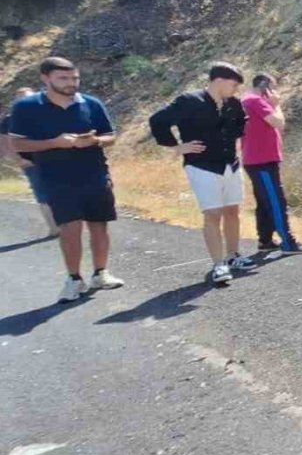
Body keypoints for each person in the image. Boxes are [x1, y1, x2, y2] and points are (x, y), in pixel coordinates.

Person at [7, 57, 125, 302]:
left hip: (95, 173)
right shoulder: (26, 107)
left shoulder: (91, 104)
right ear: (46, 78)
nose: (71, 83)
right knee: (70, 228)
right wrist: (55, 143)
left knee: (99, 225)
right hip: (55, 177)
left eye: (75, 78)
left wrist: (94, 141)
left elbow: (110, 136)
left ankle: (101, 273)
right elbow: (17, 142)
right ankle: (74, 279)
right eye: (63, 78)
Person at [149, 62, 251, 285]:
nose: (235, 90)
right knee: (212, 214)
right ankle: (219, 264)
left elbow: (241, 125)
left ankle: (233, 255)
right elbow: (158, 120)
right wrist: (176, 146)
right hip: (202, 166)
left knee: (232, 211)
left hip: (230, 164)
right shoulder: (189, 101)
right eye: (233, 85)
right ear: (219, 81)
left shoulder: (233, 103)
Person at [241, 73, 302, 253]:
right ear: (265, 86)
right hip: (262, 161)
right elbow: (278, 122)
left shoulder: (247, 100)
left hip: (257, 160)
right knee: (276, 202)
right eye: (273, 87)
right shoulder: (256, 101)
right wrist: (276, 104)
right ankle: (288, 242)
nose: (275, 91)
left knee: (264, 203)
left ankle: (265, 241)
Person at [1, 87, 58, 236]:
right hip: (31, 163)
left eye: (28, 98)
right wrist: (19, 160)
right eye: (20, 98)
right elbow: (4, 144)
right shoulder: (8, 121)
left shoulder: (50, 113)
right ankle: (54, 228)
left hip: (56, 159)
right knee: (42, 194)